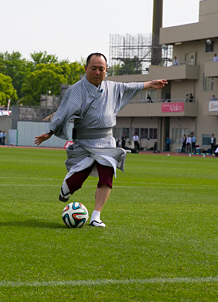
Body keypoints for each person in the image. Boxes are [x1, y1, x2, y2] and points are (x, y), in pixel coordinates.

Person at [34, 52, 167, 228]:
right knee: (77, 180)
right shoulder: (76, 90)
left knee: (107, 176)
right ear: (86, 69)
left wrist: (150, 84)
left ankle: (96, 216)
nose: (97, 72)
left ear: (106, 70)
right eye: (93, 68)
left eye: (101, 69)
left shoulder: (113, 87)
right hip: (84, 142)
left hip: (106, 141)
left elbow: (131, 86)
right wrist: (50, 132)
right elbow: (63, 111)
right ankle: (68, 186)